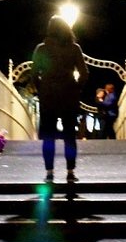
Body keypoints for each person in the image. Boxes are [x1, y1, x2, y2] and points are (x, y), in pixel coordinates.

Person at [31, 15, 88, 183]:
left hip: (48, 96)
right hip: (69, 96)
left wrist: (42, 89)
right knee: (69, 135)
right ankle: (70, 171)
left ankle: (49, 172)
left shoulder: (41, 49)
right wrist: (76, 87)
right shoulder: (74, 48)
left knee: (48, 136)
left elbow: (34, 74)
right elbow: (84, 73)